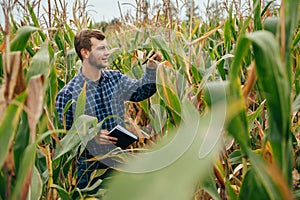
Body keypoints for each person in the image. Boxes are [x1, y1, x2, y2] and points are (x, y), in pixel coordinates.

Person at [55, 29, 162, 190]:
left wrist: (152, 68)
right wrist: (91, 137)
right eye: (101, 49)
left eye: (106, 48)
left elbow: (141, 91)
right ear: (85, 53)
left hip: (118, 161)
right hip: (88, 171)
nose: (107, 53)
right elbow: (63, 140)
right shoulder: (67, 94)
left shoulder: (115, 79)